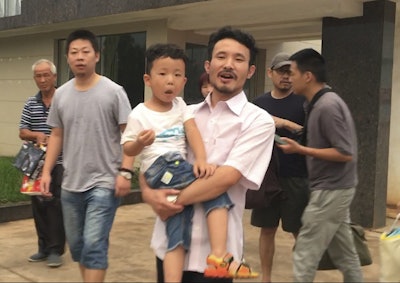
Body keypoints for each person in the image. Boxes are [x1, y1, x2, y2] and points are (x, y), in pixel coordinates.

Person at [139, 26, 275, 283]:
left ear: (251, 70)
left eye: (239, 59)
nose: (229, 65)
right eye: (222, 57)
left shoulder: (258, 122)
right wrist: (147, 193)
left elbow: (226, 178)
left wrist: (170, 201)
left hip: (216, 257)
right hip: (170, 245)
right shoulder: (183, 114)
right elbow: (152, 157)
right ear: (209, 65)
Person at [121, 43, 237, 282]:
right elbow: (127, 147)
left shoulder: (181, 106)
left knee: (176, 227)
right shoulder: (139, 113)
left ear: (184, 81)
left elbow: (192, 132)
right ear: (148, 79)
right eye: (162, 74)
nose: (170, 81)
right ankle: (219, 257)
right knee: (215, 193)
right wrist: (140, 144)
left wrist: (201, 159)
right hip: (161, 168)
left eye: (176, 75)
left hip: (173, 171)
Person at [40, 29, 134, 283]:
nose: (79, 57)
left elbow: (130, 135)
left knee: (94, 243)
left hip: (105, 180)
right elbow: (57, 135)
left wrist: (126, 171)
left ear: (96, 56)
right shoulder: (61, 94)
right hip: (71, 183)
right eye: (74, 52)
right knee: (79, 246)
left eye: (85, 52)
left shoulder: (114, 92)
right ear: (67, 58)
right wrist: (47, 172)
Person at [278, 48, 363, 282]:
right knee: (345, 254)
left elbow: (346, 153)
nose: (288, 78)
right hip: (334, 188)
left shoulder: (327, 106)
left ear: (308, 76)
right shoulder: (317, 103)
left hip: (331, 190)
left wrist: (301, 150)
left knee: (305, 252)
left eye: (292, 72)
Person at [250, 52, 309, 282]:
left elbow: (311, 134)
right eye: (281, 71)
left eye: (289, 72)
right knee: (267, 229)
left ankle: (303, 277)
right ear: (270, 73)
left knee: (299, 231)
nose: (285, 76)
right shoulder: (259, 104)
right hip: (267, 177)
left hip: (297, 176)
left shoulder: (304, 102)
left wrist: (288, 125)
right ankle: (266, 278)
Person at [19, 59, 65, 268]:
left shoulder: (64, 100)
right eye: (39, 75)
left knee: (55, 204)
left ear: (54, 77)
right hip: (36, 164)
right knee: (38, 205)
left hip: (61, 162)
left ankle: (56, 249)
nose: (43, 79)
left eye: (47, 75)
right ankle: (43, 248)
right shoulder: (31, 103)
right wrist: (36, 135)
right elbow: (22, 131)